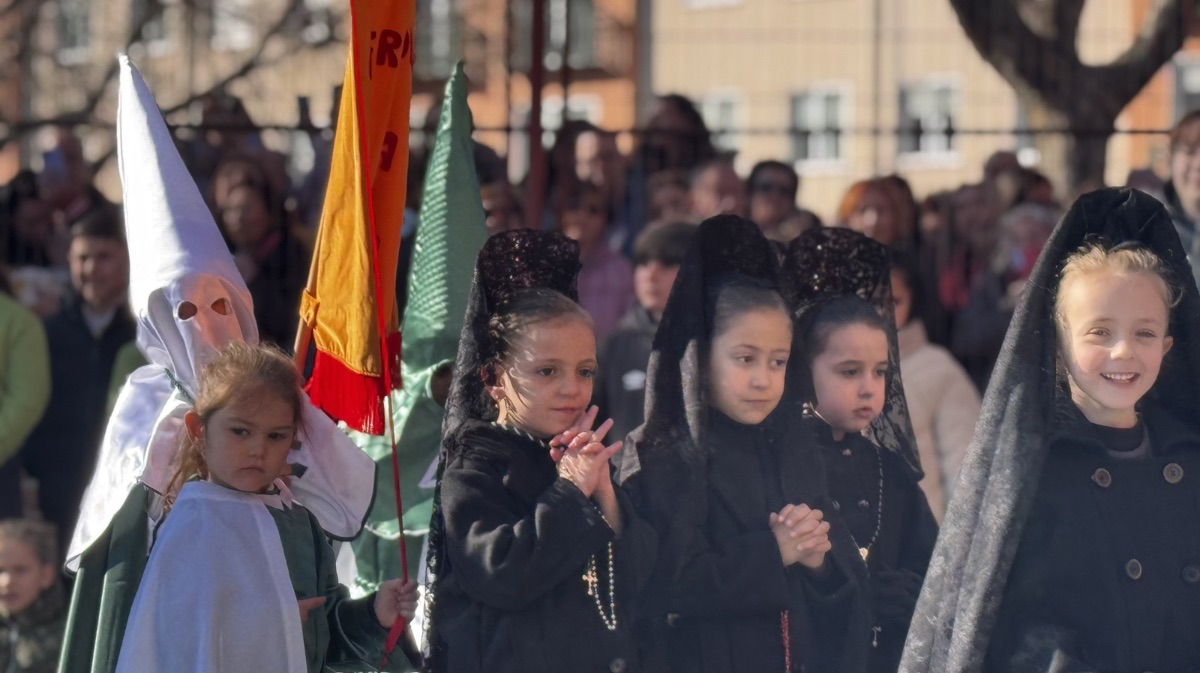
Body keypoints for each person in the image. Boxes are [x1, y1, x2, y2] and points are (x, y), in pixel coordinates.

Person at [903, 187, 1200, 673]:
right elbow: (1007, 621)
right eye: (1099, 332)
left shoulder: (1191, 458)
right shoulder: (1035, 469)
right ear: (1057, 348)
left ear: (1168, 346)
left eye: (1144, 333)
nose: (1123, 351)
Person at [619, 215, 868, 673]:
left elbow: (839, 584)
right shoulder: (659, 455)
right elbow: (661, 584)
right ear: (698, 359)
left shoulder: (792, 447)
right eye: (744, 358)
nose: (763, 379)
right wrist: (773, 551)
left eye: (778, 362)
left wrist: (818, 561)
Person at [424, 229, 657, 673]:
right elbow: (501, 575)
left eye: (585, 370)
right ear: (492, 379)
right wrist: (569, 492)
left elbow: (637, 578)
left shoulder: (582, 459)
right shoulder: (474, 470)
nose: (572, 389)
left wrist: (605, 493)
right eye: (547, 371)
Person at [115, 342, 419, 672]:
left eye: (276, 436)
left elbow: (327, 640)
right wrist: (277, 625)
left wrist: (374, 615)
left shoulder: (299, 524)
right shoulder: (192, 527)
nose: (258, 449)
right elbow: (180, 646)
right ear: (198, 430)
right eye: (240, 431)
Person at [783, 228, 937, 672]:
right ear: (802, 370)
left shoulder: (890, 468)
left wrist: (908, 592)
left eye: (880, 371)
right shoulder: (781, 464)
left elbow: (931, 560)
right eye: (849, 371)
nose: (870, 388)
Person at [21, 209, 135, 556]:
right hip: (56, 494)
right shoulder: (47, 333)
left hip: (121, 496)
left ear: (127, 259)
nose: (91, 269)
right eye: (82, 258)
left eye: (104, 258)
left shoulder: (144, 336)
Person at [889, 255, 979, 522]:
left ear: (912, 300)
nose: (881, 312)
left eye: (894, 301)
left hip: (923, 546)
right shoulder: (824, 367)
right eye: (867, 299)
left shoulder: (937, 368)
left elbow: (965, 465)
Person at [594, 222, 694, 446]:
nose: (651, 274)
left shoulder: (722, 346)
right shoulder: (611, 349)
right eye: (643, 262)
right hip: (624, 480)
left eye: (669, 262)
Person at [211, 153, 311, 350]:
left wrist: (257, 280)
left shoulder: (291, 254)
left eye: (247, 209)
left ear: (268, 211)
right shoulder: (219, 254)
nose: (238, 219)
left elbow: (290, 320)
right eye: (231, 210)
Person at [558, 183, 635, 341]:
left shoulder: (620, 269)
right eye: (574, 207)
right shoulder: (542, 265)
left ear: (605, 220)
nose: (582, 216)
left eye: (593, 210)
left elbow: (628, 327)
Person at [0, 519, 64, 673]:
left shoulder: (65, 637)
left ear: (46, 575)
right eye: (0, 571)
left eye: (20, 570)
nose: (7, 582)